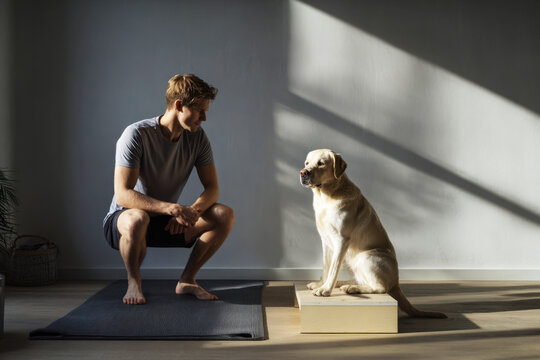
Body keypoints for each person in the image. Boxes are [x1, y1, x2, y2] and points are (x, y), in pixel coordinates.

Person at [103, 74, 234, 305]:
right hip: (126, 219)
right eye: (200, 111)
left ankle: (187, 281)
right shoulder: (136, 134)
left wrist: (191, 210)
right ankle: (134, 283)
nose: (204, 118)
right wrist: (171, 209)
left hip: (166, 222)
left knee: (224, 214)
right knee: (137, 219)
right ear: (179, 105)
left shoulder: (197, 138)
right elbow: (123, 193)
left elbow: (212, 188)